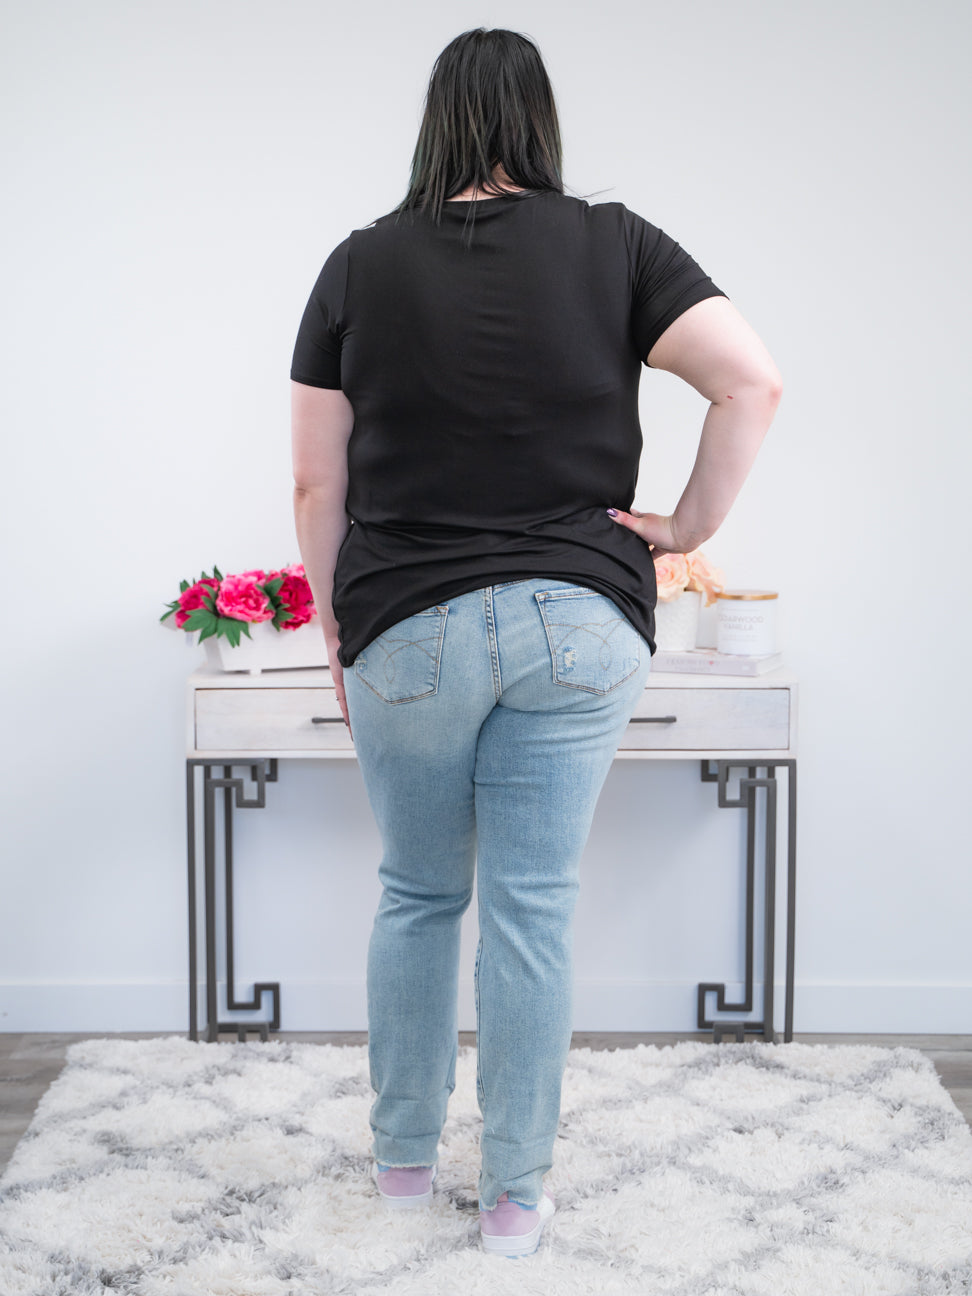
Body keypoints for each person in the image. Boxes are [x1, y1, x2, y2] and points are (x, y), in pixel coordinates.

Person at [290, 26, 782, 1259]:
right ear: (538, 120)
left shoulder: (357, 265)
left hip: (407, 623)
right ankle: (514, 1199)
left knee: (418, 893)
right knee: (532, 908)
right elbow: (753, 381)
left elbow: (315, 486)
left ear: (437, 121)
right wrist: (683, 529)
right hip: (578, 618)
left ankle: (404, 1167)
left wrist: (338, 628)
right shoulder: (617, 244)